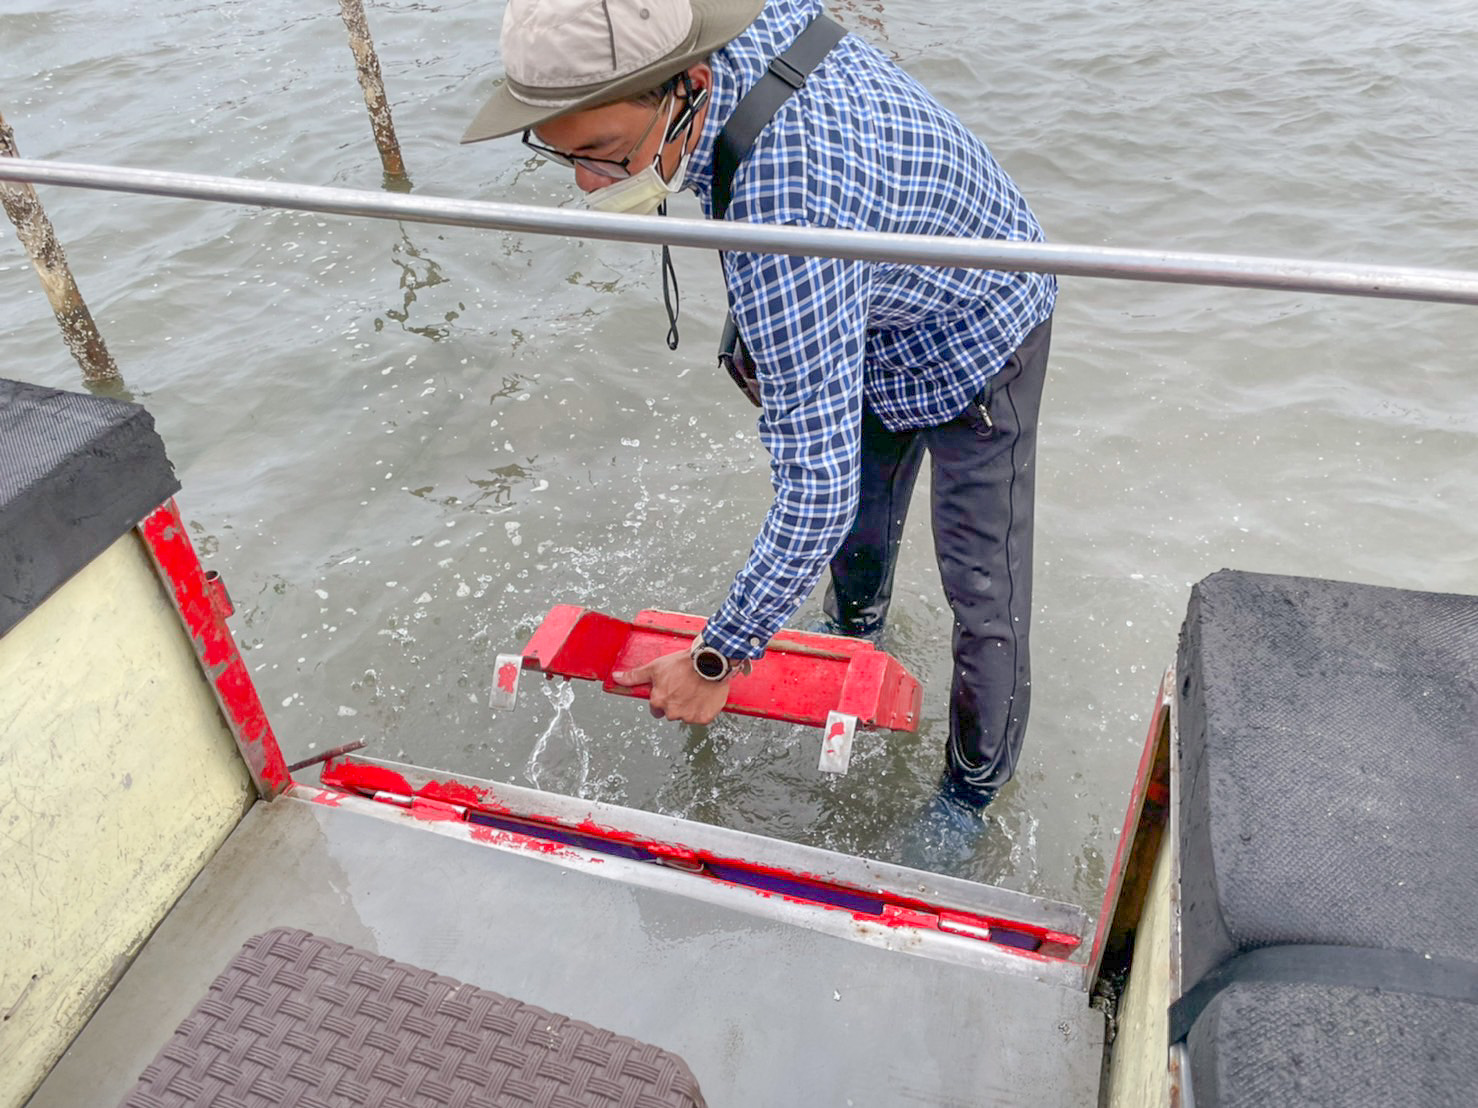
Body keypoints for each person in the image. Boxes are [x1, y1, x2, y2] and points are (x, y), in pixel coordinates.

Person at [462, 0, 1056, 833]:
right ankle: (856, 631)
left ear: (690, 87)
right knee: (862, 523)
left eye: (603, 155)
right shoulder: (704, 24)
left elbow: (815, 487)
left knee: (982, 590)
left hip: (982, 320)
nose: (589, 185)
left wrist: (720, 657)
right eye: (561, 155)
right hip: (874, 277)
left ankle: (969, 799)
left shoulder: (787, 217)